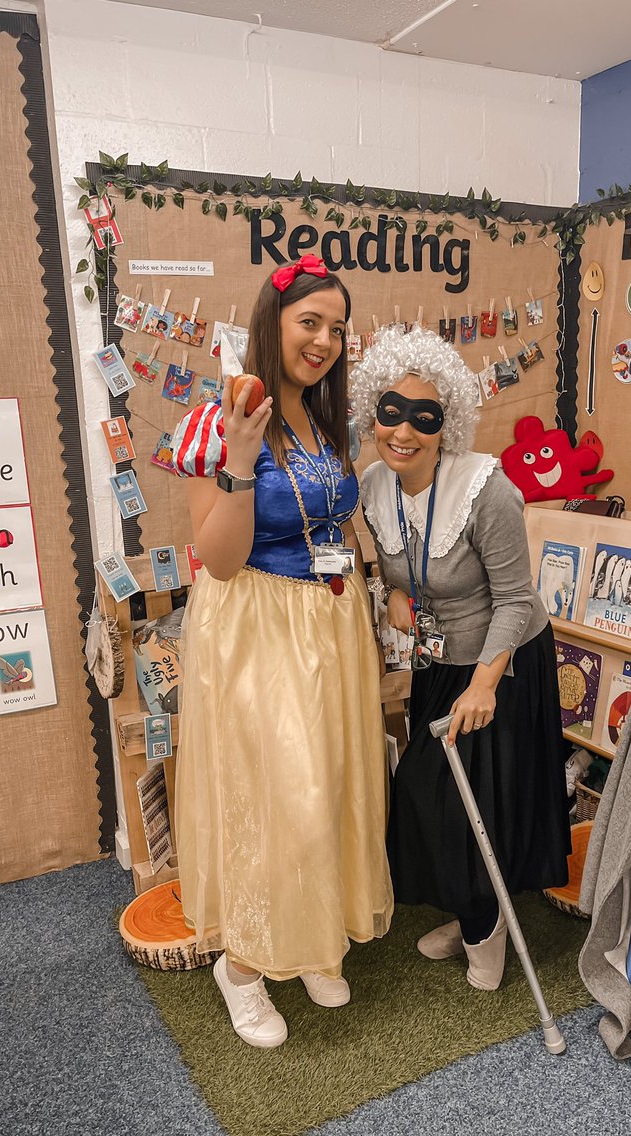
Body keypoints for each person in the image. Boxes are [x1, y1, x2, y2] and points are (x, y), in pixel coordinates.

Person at [171, 256, 392, 1049]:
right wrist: (235, 462)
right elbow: (220, 560)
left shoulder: (325, 421)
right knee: (273, 797)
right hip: (255, 624)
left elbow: (332, 525)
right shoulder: (218, 417)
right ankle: (245, 966)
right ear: (273, 322)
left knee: (328, 781)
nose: (325, 340)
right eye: (311, 323)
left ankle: (313, 938)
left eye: (337, 328)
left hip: (327, 627)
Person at [350, 325, 570, 991]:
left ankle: (485, 926)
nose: (404, 432)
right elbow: (395, 565)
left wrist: (483, 687)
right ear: (372, 413)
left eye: (425, 417)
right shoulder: (373, 487)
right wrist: (391, 589)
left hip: (502, 665)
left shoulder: (487, 490)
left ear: (448, 422)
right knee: (431, 798)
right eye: (391, 412)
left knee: (469, 805)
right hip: (434, 664)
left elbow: (514, 599)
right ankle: (473, 908)